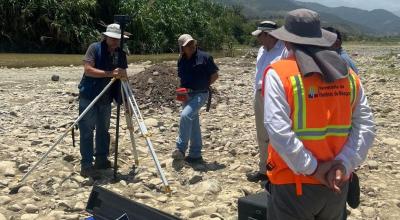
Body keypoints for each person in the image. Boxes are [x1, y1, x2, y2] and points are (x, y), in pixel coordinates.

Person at [262, 9, 375, 220]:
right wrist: (344, 164)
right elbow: (366, 126)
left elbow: (278, 130)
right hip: (337, 182)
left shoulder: (280, 73)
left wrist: (313, 169)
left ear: (287, 42)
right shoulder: (348, 76)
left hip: (293, 183)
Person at [78, 23, 128, 177]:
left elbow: (123, 75)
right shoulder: (94, 48)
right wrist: (109, 73)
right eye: (112, 39)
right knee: (86, 131)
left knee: (103, 130)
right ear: (105, 37)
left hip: (106, 98)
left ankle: (101, 159)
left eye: (117, 39)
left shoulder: (121, 53)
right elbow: (88, 70)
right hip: (89, 95)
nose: (114, 42)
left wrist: (121, 75)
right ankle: (86, 164)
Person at [246, 21, 286, 182]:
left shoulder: (284, 51)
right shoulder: (262, 50)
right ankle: (264, 169)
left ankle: (277, 171)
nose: (258, 39)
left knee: (276, 133)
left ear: (268, 35)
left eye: (260, 35)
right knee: (262, 134)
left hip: (275, 96)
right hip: (260, 94)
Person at [171, 34, 219, 163]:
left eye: (192, 43)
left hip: (201, 94)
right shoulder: (181, 60)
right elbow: (182, 79)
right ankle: (195, 154)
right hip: (185, 94)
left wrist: (204, 85)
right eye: (187, 45)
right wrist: (181, 92)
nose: (191, 46)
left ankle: (180, 148)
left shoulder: (205, 57)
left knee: (185, 116)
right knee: (193, 122)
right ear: (182, 48)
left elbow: (214, 75)